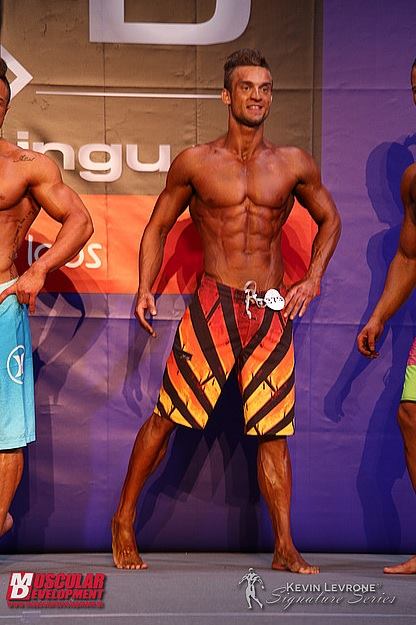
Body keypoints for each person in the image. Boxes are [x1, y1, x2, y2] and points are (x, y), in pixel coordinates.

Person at [112, 48, 341, 574]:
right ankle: (123, 520)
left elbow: (330, 220)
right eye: (247, 87)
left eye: (265, 88)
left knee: (274, 431)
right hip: (214, 305)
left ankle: (284, 545)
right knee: (167, 417)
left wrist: (313, 278)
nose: (257, 96)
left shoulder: (293, 163)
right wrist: (145, 286)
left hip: (270, 312)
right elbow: (157, 226)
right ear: (225, 95)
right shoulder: (196, 163)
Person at [0, 59, 93, 541]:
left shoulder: (26, 167)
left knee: (6, 432)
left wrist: (38, 268)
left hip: (2, 304)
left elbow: (80, 221)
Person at [357, 58, 416, 575]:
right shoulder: (415, 179)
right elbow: (409, 256)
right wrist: (378, 317)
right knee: (410, 414)